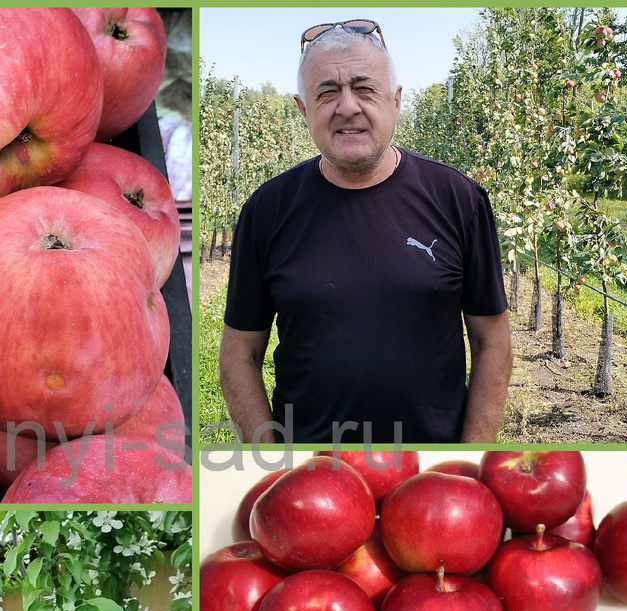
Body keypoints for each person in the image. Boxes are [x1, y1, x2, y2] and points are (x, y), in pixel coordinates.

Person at [219, 19, 513, 444]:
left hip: (431, 466)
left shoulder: (458, 199)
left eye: (364, 88)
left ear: (395, 100)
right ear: (304, 110)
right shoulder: (267, 210)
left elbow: (493, 343)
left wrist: (468, 457)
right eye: (327, 93)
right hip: (309, 468)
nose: (347, 107)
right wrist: (268, 458)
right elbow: (238, 354)